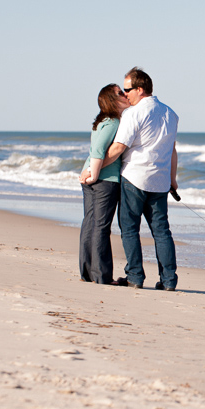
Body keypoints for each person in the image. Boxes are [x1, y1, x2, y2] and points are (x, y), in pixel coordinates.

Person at [102, 67, 180, 291]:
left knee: (129, 229)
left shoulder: (133, 113)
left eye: (127, 89)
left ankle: (135, 277)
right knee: (162, 232)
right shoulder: (170, 113)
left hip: (135, 178)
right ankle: (168, 281)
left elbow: (118, 147)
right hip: (160, 181)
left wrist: (94, 168)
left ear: (140, 89)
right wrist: (172, 180)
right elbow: (172, 150)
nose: (124, 94)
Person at [77, 83, 130, 285]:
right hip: (104, 181)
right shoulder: (113, 124)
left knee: (90, 224)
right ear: (111, 99)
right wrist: (94, 174)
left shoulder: (104, 121)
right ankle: (101, 276)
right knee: (100, 227)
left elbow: (94, 151)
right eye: (120, 93)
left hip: (92, 177)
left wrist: (90, 173)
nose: (125, 95)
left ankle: (88, 273)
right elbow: (98, 150)